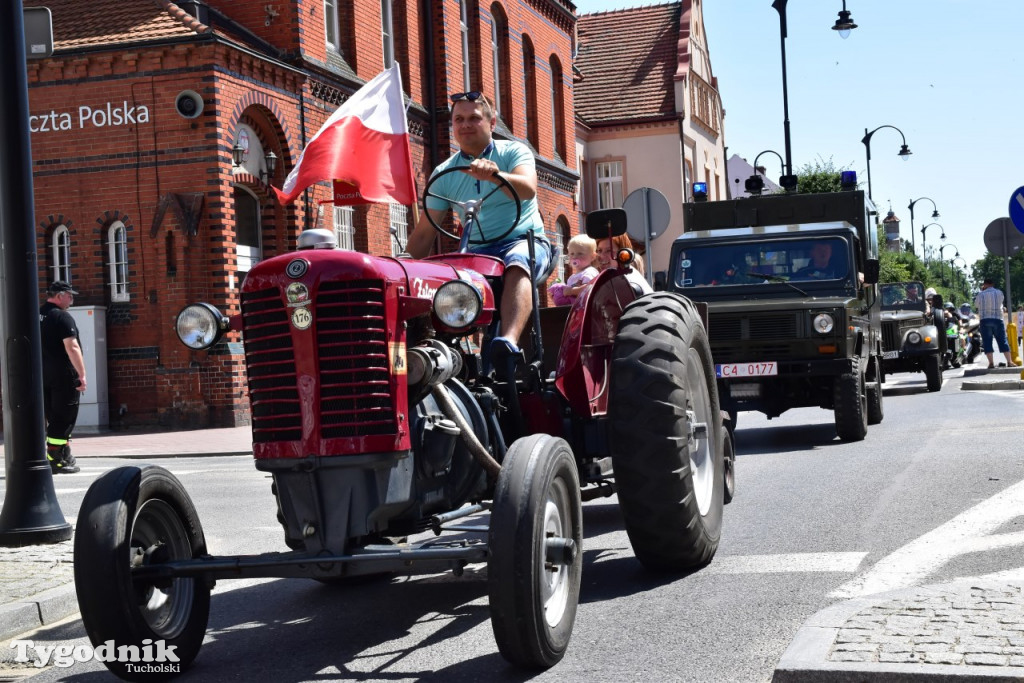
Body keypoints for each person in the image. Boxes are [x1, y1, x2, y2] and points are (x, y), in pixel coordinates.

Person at [406, 91, 550, 358]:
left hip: (524, 242)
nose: (465, 125)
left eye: (474, 118)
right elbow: (425, 233)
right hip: (478, 254)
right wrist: (401, 267)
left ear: (492, 123)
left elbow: (528, 189)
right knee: (444, 278)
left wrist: (496, 176)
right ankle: (441, 353)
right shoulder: (445, 173)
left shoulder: (514, 152)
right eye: (458, 119)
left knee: (517, 262)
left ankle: (507, 342)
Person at [39, 281, 86, 474]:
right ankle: (56, 459)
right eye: (69, 295)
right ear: (59, 296)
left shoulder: (36, 315)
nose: (72, 299)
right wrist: (82, 375)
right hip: (63, 375)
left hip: (42, 375)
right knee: (64, 417)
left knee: (52, 415)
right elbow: (72, 347)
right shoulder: (61, 317)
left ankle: (64, 454)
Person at [974, 278, 1020, 369]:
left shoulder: (980, 294)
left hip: (985, 320)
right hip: (998, 319)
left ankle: (991, 363)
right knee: (1002, 340)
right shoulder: (999, 292)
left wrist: (982, 292)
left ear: (985, 284)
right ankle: (1009, 362)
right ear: (992, 284)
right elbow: (1001, 302)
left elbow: (976, 305)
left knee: (987, 341)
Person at [549, 234, 599, 306]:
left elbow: (589, 289)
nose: (575, 257)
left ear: (592, 256)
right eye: (572, 254)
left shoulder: (590, 272)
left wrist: (571, 291)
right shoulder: (572, 277)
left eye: (580, 253)